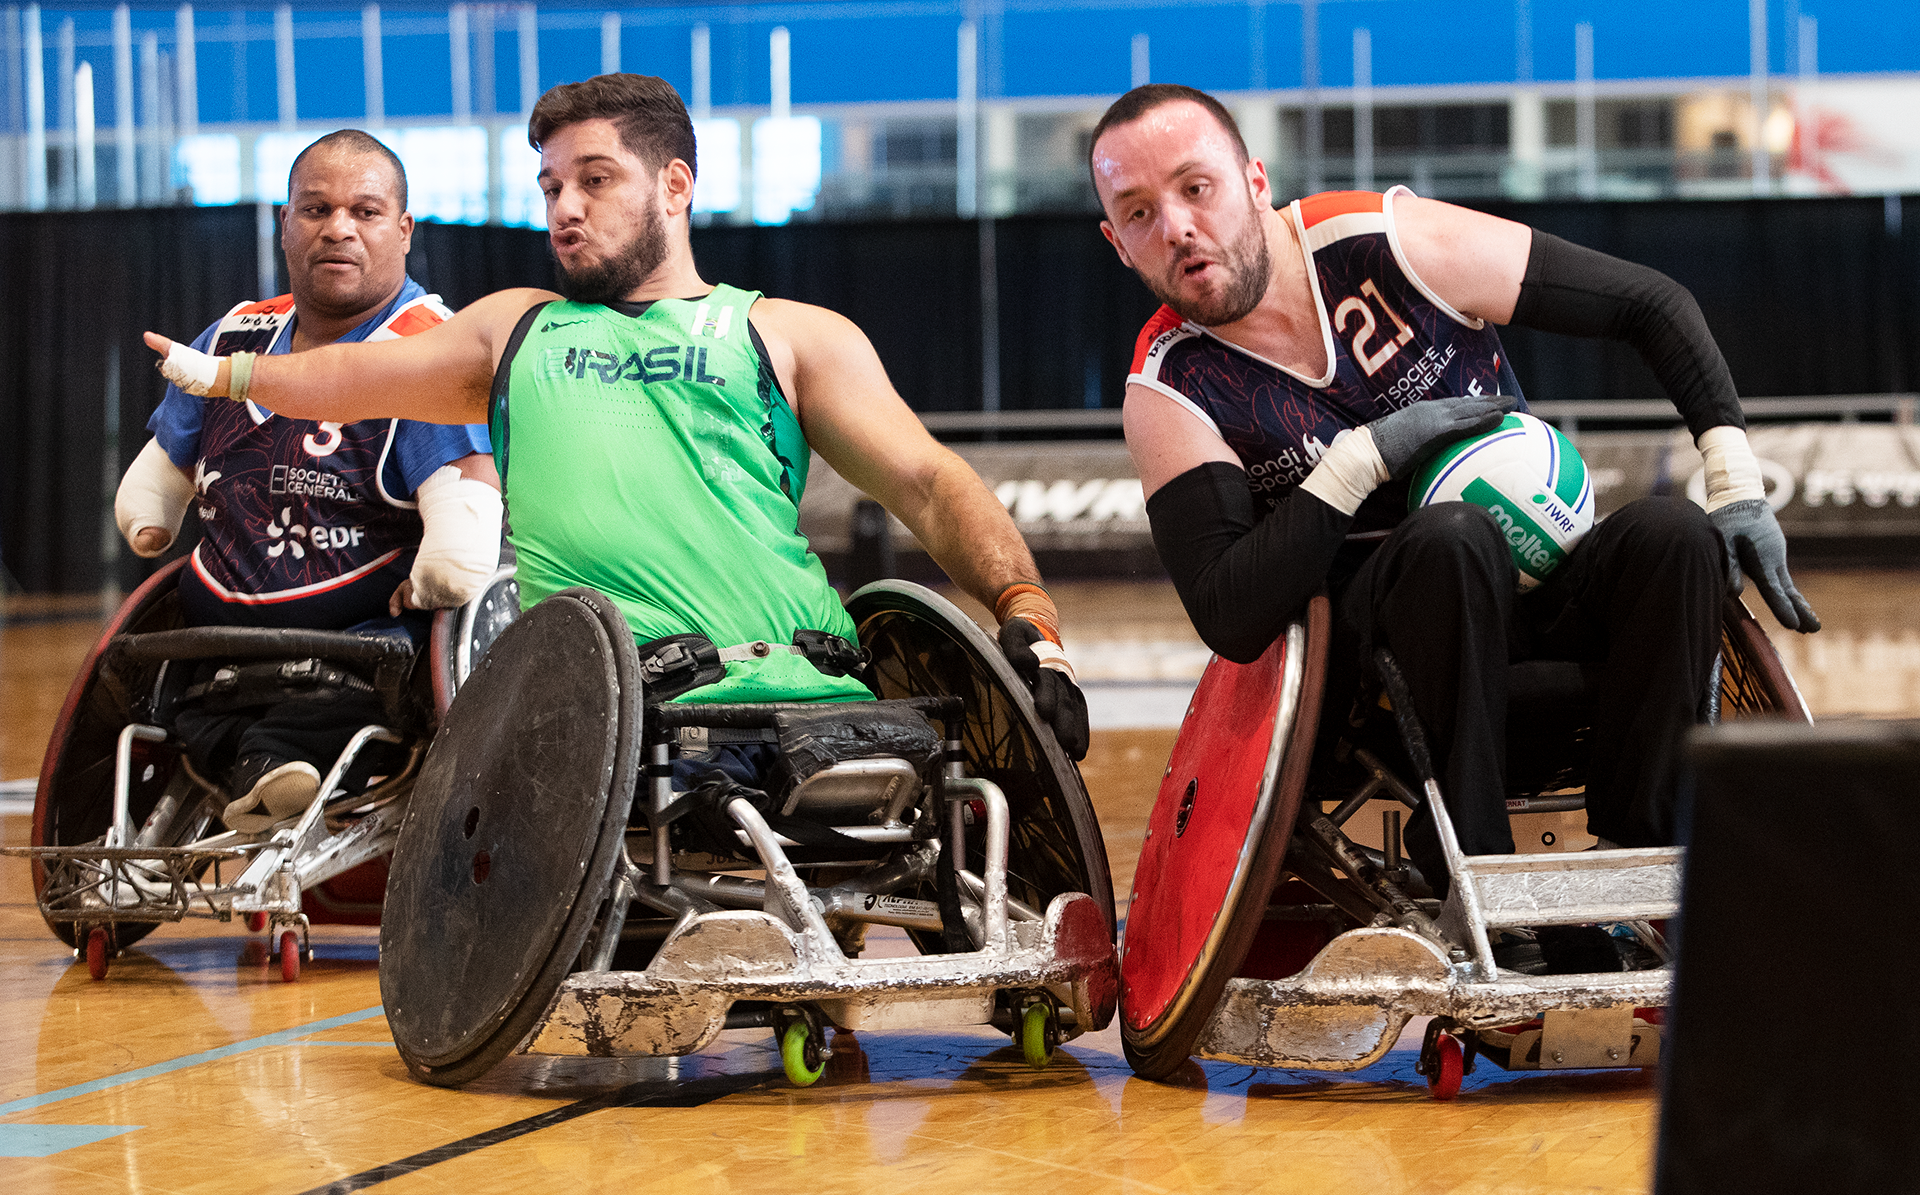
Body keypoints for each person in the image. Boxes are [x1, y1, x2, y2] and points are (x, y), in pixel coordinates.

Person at [141, 75, 1089, 795]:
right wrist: (223, 374)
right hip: (623, 715)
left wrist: (1030, 613)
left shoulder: (791, 334)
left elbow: (927, 480)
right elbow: (350, 376)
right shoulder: (515, 329)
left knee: (929, 782)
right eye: (550, 184)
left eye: (594, 180)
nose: (563, 207)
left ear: (674, 185)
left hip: (813, 693)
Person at [1088, 84, 1817, 908]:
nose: (1178, 226)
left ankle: (1638, 867)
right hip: (1375, 674)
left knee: (1673, 535)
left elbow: (1655, 305)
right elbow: (1229, 613)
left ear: (1256, 181)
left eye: (1196, 187)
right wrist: (1363, 459)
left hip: (1533, 594)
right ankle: (1479, 879)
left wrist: (1737, 480)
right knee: (1451, 537)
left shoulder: (1388, 241)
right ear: (1119, 245)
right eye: (1140, 212)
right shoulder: (1167, 387)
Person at [116, 130, 502, 833]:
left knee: (340, 706)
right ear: (283, 224)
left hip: (353, 635)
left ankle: (268, 762)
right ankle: (261, 766)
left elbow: (466, 491)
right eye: (316, 209)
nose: (339, 230)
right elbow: (167, 460)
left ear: (405, 230)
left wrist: (443, 569)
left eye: (365, 211)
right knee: (174, 701)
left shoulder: (429, 349)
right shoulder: (233, 335)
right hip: (222, 623)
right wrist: (149, 508)